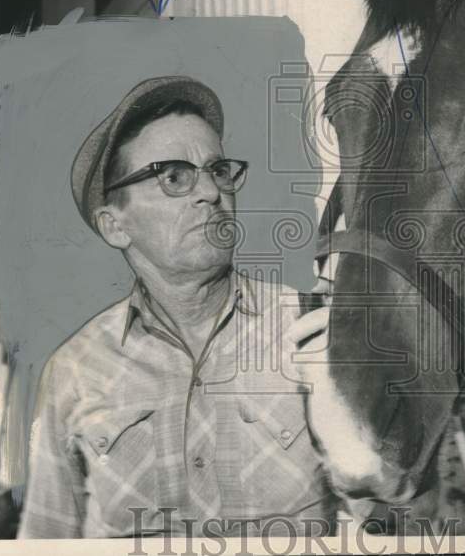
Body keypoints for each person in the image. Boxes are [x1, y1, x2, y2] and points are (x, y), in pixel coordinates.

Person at [18, 76, 336, 539]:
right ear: (115, 226)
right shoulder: (74, 371)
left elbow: (384, 516)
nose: (210, 192)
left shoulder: (309, 328)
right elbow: (45, 540)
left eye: (219, 170)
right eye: (174, 176)